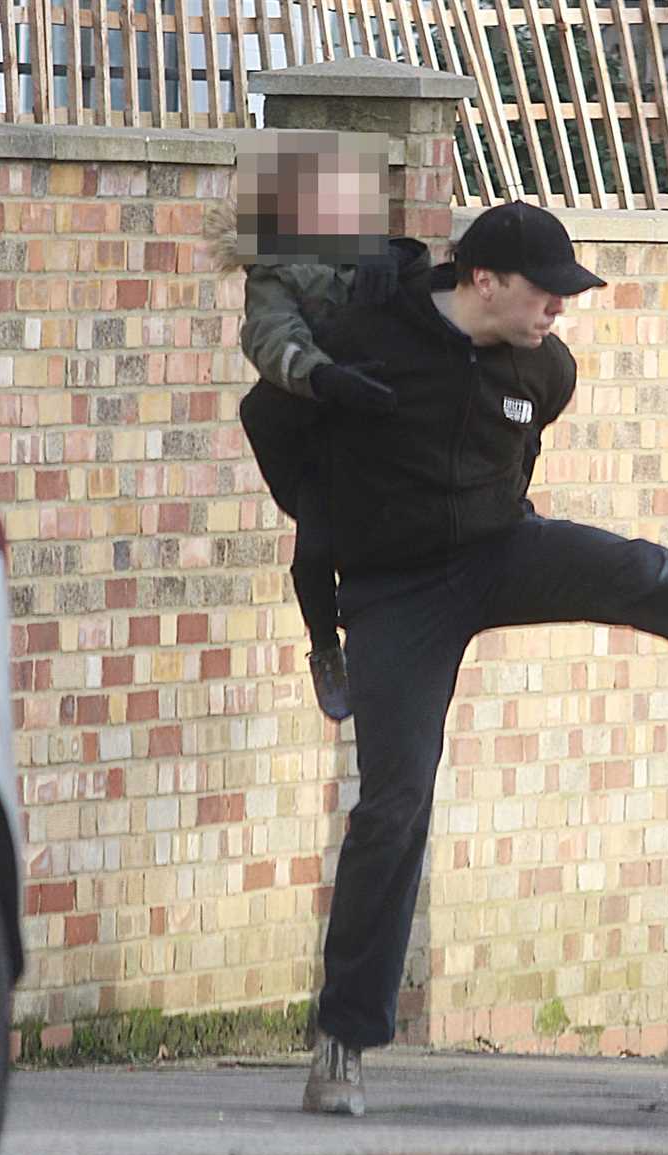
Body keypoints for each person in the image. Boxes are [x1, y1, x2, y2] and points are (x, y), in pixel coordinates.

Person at [300, 201, 668, 1116]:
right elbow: (277, 423)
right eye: (546, 292)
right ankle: (343, 1039)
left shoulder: (545, 369)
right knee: (396, 800)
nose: (558, 309)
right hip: (394, 592)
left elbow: (521, 450)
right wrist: (327, 587)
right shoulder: (369, 336)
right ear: (484, 280)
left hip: (499, 550)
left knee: (646, 573)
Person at [207, 142, 401, 721]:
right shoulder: (274, 273)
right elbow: (271, 337)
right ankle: (325, 648)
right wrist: (322, 377)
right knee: (314, 552)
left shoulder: (379, 255)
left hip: (385, 412)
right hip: (318, 421)